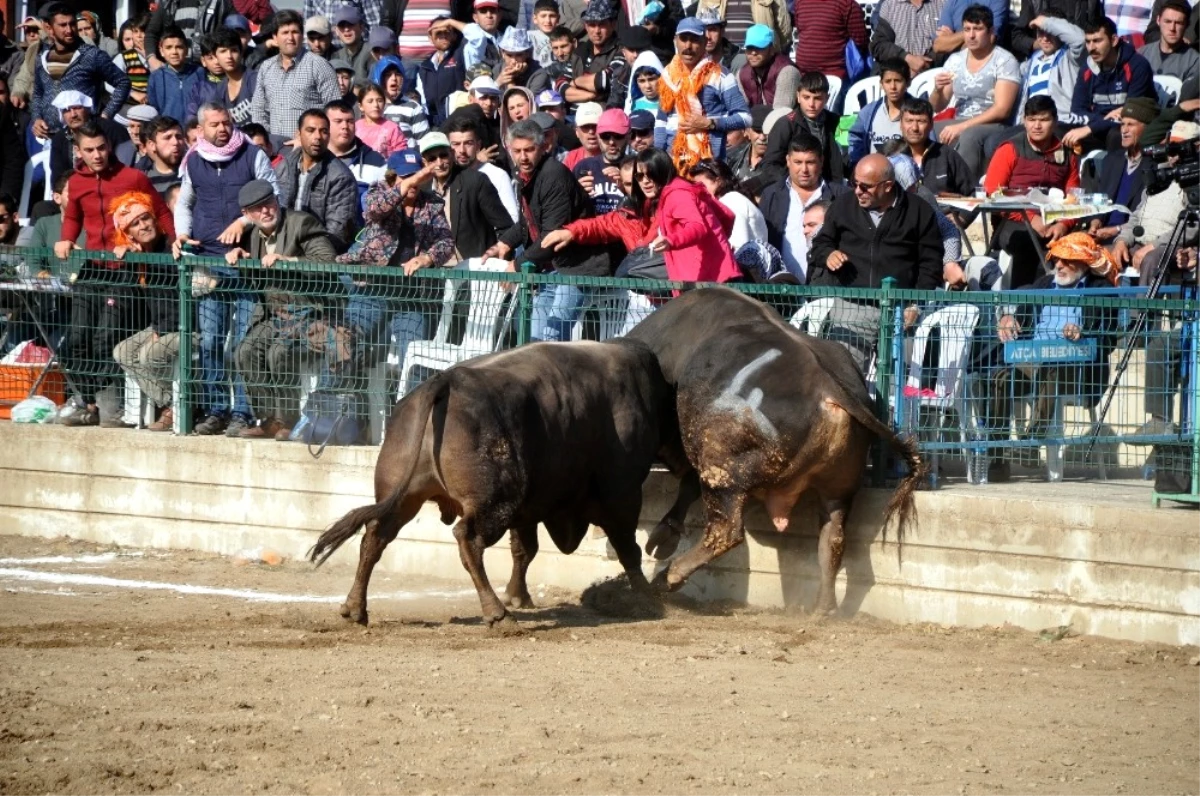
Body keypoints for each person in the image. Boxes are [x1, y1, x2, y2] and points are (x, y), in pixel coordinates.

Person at [55, 126, 176, 428]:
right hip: (93, 266)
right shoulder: (76, 181)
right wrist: (66, 238)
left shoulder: (132, 177)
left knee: (104, 338)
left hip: (125, 268)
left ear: (109, 146)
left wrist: (174, 242)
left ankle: (113, 409)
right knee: (76, 336)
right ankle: (88, 401)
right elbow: (73, 217)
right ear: (78, 152)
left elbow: (161, 212)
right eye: (89, 150)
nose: (97, 155)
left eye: (101, 148)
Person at [978, 233, 1119, 480]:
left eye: (1067, 261)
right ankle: (997, 457)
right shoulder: (1043, 284)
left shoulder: (1102, 290)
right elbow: (1020, 321)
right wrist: (1010, 320)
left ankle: (1031, 442)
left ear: (1084, 263)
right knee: (1000, 378)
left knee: (1052, 367)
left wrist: (1083, 333)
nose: (1059, 266)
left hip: (1078, 369)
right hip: (1032, 359)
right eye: (1057, 260)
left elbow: (1109, 338)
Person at [174, 103, 277, 436]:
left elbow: (274, 195)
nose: (222, 129)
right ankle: (216, 409)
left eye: (227, 123)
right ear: (201, 128)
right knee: (211, 341)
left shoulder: (252, 154)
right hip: (208, 262)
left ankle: (243, 413)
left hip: (246, 263)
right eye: (215, 124)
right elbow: (185, 203)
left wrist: (244, 221)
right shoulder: (193, 160)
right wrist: (182, 235)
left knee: (243, 343)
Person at [808, 154, 943, 369]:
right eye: (854, 183)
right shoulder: (843, 205)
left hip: (901, 309)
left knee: (896, 383)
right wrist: (828, 254)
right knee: (845, 376)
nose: (857, 191)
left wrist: (917, 303)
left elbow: (931, 262)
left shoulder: (919, 211)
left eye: (865, 186)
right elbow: (821, 243)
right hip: (852, 306)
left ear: (888, 186)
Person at [227, 180, 337, 439]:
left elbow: (328, 262)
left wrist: (288, 261)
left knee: (279, 352)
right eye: (257, 209)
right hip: (275, 313)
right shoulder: (254, 235)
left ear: (276, 200)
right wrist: (242, 261)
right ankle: (269, 419)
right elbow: (258, 282)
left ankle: (287, 419)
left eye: (268, 203)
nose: (265, 211)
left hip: (310, 311)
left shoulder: (302, 223)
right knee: (245, 351)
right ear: (246, 215)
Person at [505, 119, 614, 341]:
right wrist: (503, 242)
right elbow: (528, 222)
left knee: (552, 337)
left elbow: (551, 235)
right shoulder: (524, 176)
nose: (523, 157)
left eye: (529, 150)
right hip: (550, 269)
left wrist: (516, 265)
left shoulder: (553, 175)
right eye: (517, 151)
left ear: (543, 147)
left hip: (577, 269)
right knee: (533, 339)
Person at [110, 191, 187, 432]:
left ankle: (182, 406)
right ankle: (171, 403)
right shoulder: (141, 257)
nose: (143, 225)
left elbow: (182, 302)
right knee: (122, 352)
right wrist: (128, 262)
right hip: (160, 326)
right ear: (128, 234)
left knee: (149, 354)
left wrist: (161, 331)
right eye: (135, 223)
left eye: (146, 218)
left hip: (188, 326)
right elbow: (125, 300)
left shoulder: (171, 250)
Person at [985, 95, 1079, 287]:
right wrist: (1030, 218)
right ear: (1024, 121)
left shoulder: (1067, 153)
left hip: (1055, 220)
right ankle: (1021, 307)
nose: (1037, 126)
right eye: (1032, 119)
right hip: (1011, 222)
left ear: (1054, 122)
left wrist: (1064, 224)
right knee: (1030, 243)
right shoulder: (1009, 149)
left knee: (1076, 246)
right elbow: (993, 194)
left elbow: (1074, 198)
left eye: (1043, 120)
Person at [929, 4, 1021, 179]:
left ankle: (965, 189)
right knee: (925, 128)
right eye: (967, 29)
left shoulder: (1004, 61)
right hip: (961, 118)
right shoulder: (955, 60)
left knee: (969, 135)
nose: (971, 35)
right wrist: (937, 90)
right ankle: (931, 185)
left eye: (978, 29)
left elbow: (1002, 110)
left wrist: (961, 126)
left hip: (992, 124)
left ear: (990, 31)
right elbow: (937, 105)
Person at [654, 17, 751, 176]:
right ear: (675, 40)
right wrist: (659, 155)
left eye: (694, 40)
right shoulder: (667, 76)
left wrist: (710, 124)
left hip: (709, 165)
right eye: (683, 39)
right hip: (673, 164)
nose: (688, 46)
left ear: (705, 42)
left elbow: (745, 118)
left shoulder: (721, 76)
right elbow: (661, 119)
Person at [31, 3, 132, 141]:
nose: (69, 30)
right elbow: (37, 93)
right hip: (49, 137)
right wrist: (36, 117)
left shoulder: (91, 55)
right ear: (49, 28)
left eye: (72, 24)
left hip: (86, 137)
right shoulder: (41, 58)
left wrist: (106, 114)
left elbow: (123, 82)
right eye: (62, 25)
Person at [759, 134, 849, 282]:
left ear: (821, 162)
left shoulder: (842, 197)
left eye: (810, 162)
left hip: (827, 286)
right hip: (783, 291)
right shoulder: (771, 195)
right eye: (798, 162)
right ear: (788, 161)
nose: (804, 169)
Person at [418, 131, 520, 259]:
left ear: (452, 153)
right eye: (432, 159)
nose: (439, 163)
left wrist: (502, 263)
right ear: (424, 162)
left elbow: (505, 228)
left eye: (443, 155)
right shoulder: (422, 189)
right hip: (438, 269)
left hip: (475, 267)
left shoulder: (475, 181)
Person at [1062, 17, 1156, 152]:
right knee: (1058, 131)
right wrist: (1103, 120)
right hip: (1098, 126)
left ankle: (1115, 172)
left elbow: (1131, 114)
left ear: (1113, 40)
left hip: (1124, 128)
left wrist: (1092, 127)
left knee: (1117, 135)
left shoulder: (1138, 65)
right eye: (1088, 42)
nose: (1091, 48)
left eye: (1097, 41)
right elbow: (1077, 111)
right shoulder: (1087, 67)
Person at [276, 108, 360, 249]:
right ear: (298, 134)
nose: (318, 137)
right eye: (310, 130)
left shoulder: (340, 177)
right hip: (281, 248)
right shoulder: (285, 166)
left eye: (324, 131)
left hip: (318, 257)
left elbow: (337, 234)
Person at [251, 10, 342, 139]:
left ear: (301, 35)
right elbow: (258, 110)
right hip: (275, 150)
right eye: (285, 33)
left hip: (310, 148)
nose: (290, 38)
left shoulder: (319, 65)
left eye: (295, 32)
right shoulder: (266, 68)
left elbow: (335, 112)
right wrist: (267, 141)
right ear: (275, 37)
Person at [1087, 97, 1156, 244]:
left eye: (1131, 125)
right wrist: (1095, 220)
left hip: (1129, 240)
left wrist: (1117, 230)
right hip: (1101, 235)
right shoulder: (1112, 160)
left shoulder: (1155, 166)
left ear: (1148, 128)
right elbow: (1099, 197)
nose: (1124, 130)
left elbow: (1149, 218)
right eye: (1122, 124)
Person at [761, 71, 847, 184]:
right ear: (798, 96)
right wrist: (793, 184)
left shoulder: (836, 122)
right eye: (806, 97)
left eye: (817, 98)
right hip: (792, 187)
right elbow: (770, 165)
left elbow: (844, 160)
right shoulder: (786, 124)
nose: (811, 104)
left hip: (831, 186)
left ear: (827, 98)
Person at [47, 91, 135, 187]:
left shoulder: (111, 129)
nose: (73, 115)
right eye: (67, 110)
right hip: (74, 189)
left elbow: (126, 163)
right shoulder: (60, 139)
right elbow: (58, 175)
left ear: (87, 109)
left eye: (77, 108)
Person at [897, 96, 977, 195]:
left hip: (945, 210)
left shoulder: (947, 155)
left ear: (931, 125)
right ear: (900, 124)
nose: (915, 128)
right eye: (909, 121)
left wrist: (957, 209)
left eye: (921, 121)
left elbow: (973, 193)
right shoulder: (891, 157)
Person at [445, 113, 519, 218]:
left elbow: (512, 218)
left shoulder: (497, 176)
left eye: (468, 143)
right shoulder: (446, 176)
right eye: (456, 144)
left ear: (478, 145)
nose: (462, 150)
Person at [690, 158, 768, 252]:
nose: (698, 191)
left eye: (702, 185)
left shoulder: (731, 201)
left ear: (718, 181)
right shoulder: (730, 199)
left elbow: (739, 246)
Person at [188, 28, 258, 127]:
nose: (229, 56)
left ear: (241, 53)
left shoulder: (255, 80)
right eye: (223, 51)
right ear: (216, 56)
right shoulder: (221, 89)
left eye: (234, 50)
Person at [849, 59, 911, 166]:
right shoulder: (868, 112)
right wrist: (857, 165)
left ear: (908, 83)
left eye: (898, 80)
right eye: (888, 81)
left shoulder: (918, 113)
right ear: (881, 84)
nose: (893, 87)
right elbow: (855, 139)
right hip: (874, 174)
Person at [325, 98, 388, 201]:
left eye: (350, 121)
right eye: (338, 121)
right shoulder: (314, 158)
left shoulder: (377, 161)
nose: (345, 126)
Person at [563, 0, 622, 105]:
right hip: (573, 114)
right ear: (586, 26)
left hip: (602, 113)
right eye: (592, 25)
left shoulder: (621, 50)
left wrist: (575, 82)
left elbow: (604, 81)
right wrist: (591, 95)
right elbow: (561, 86)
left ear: (613, 25)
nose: (597, 31)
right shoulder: (579, 51)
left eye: (602, 24)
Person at [793, 0, 868, 80]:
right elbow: (861, 40)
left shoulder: (800, 3)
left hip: (805, 73)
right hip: (835, 74)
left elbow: (800, 30)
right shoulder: (847, 4)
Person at [870, 0, 946, 78]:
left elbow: (950, 43)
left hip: (932, 76)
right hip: (894, 76)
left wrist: (924, 63)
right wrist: (906, 58)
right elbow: (879, 45)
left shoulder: (944, 4)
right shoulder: (890, 5)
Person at [146, 0, 236, 64]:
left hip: (207, 67)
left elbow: (236, 31)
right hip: (175, 69)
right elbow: (151, 33)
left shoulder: (219, 2)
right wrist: (152, 59)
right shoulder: (167, 3)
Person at [146, 26, 201, 125]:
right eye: (169, 47)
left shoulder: (199, 72)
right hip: (169, 132)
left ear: (187, 49)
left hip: (195, 131)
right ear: (161, 51)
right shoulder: (156, 77)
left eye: (179, 47)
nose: (174, 52)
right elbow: (154, 109)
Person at [417, 15, 465, 127]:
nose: (443, 36)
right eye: (438, 33)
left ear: (453, 35)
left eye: (447, 32)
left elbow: (477, 35)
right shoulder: (424, 67)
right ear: (430, 38)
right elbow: (423, 103)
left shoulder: (462, 54)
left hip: (460, 123)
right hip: (435, 126)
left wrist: (450, 21)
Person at [1008, 0, 1100, 59]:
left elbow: (1099, 31)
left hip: (1080, 58)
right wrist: (1041, 43)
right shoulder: (1034, 1)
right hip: (1045, 61)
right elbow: (1017, 37)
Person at [735, 25, 797, 111]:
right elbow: (739, 111)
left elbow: (781, 114)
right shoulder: (742, 74)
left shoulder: (787, 71)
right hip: (751, 122)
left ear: (771, 49)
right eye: (749, 48)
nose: (753, 52)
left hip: (784, 122)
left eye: (759, 47)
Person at [1139, 0, 1200, 83]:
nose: (1172, 28)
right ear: (1158, 21)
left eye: (1179, 23)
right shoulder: (1142, 55)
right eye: (1167, 21)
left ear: (1187, 25)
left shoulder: (1194, 61)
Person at [373, 54, 431, 141]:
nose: (394, 79)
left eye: (398, 74)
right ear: (379, 79)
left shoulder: (413, 108)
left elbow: (424, 143)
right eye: (388, 75)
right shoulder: (372, 107)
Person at [357, 82, 409, 156]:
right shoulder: (355, 128)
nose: (376, 105)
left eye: (379, 101)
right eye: (370, 101)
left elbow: (401, 155)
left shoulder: (392, 128)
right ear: (360, 106)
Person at [139, 116, 186, 194]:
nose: (175, 142)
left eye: (179, 137)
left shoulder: (193, 172)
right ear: (152, 145)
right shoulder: (143, 180)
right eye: (167, 138)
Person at [112, 15, 152, 107]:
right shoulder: (123, 58)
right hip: (130, 106)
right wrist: (132, 93)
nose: (133, 42)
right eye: (127, 39)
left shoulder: (158, 57)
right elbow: (109, 82)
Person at [330, 6, 373, 85]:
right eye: (342, 25)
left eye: (350, 24)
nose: (346, 29)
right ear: (336, 31)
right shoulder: (336, 56)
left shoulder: (371, 53)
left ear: (361, 27)